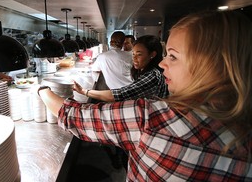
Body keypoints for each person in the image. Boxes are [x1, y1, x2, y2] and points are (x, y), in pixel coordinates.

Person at [38, 10, 252, 181]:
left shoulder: (151, 119)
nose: (163, 63)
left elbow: (72, 115)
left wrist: (41, 90)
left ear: (214, 65)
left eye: (174, 57)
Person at [73, 35, 168, 102]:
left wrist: (85, 91)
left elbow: (120, 94)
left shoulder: (153, 76)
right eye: (133, 54)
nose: (134, 58)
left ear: (152, 55)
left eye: (139, 54)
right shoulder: (143, 71)